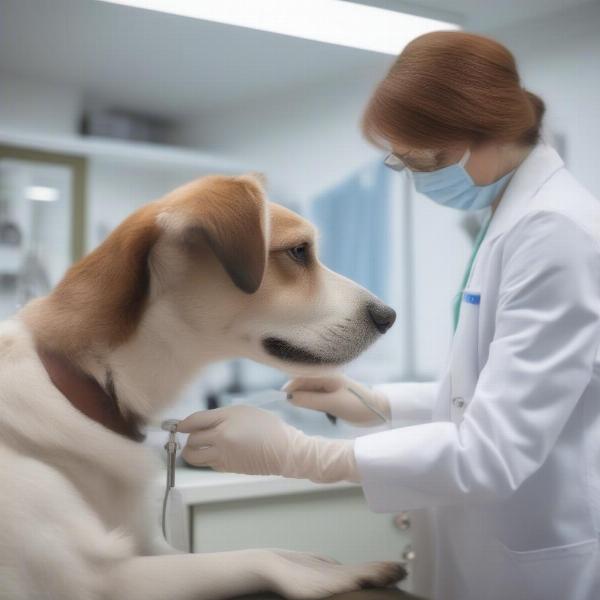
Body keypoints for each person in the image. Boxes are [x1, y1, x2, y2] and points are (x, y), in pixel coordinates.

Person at [178, 32, 600, 600]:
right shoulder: (515, 221)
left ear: (475, 138)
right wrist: (378, 403)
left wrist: (301, 454)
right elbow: (497, 393)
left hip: (533, 563)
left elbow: (494, 450)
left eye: (413, 160)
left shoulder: (555, 231)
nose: (409, 173)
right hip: (481, 548)